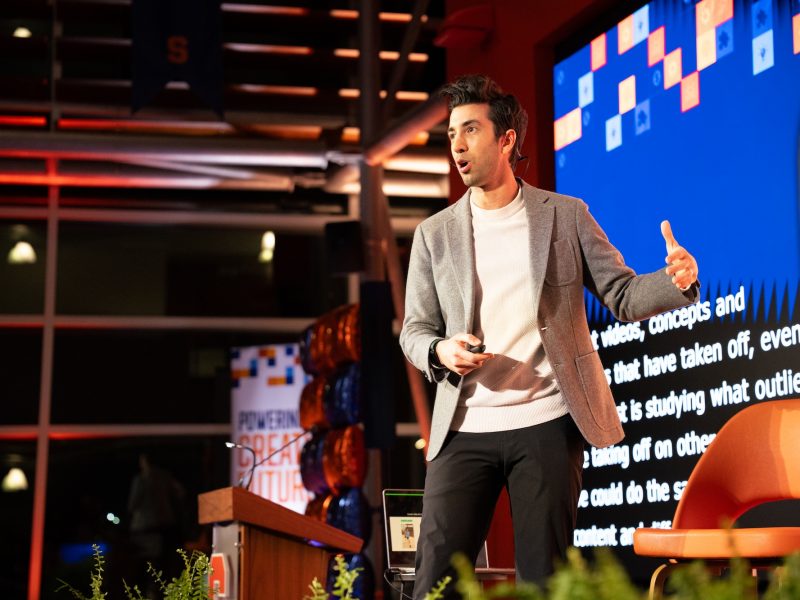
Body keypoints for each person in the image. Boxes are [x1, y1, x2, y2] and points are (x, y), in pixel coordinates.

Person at [399, 74, 699, 598]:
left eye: (470, 130)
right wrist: (440, 350)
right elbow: (415, 331)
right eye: (451, 135)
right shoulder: (433, 234)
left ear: (507, 139)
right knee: (435, 582)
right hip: (464, 427)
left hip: (545, 423)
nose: (458, 146)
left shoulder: (565, 215)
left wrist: (675, 282)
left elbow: (623, 295)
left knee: (544, 584)